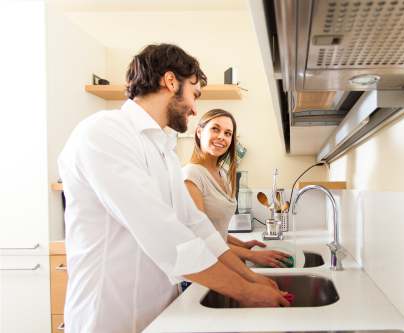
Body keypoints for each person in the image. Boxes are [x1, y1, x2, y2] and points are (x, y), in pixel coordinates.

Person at [58, 44, 289, 333]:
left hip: (159, 316)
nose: (194, 108)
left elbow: (196, 225)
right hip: (107, 318)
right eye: (194, 94)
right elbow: (162, 233)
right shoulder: (103, 132)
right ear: (170, 82)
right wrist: (245, 291)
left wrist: (249, 277)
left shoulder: (163, 150)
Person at [183, 109, 292, 268]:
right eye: (215, 129)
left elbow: (216, 231)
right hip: (201, 269)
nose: (222, 136)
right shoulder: (191, 175)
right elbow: (200, 238)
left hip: (221, 263)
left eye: (228, 133)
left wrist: (242, 244)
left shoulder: (223, 173)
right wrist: (251, 255)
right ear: (199, 132)